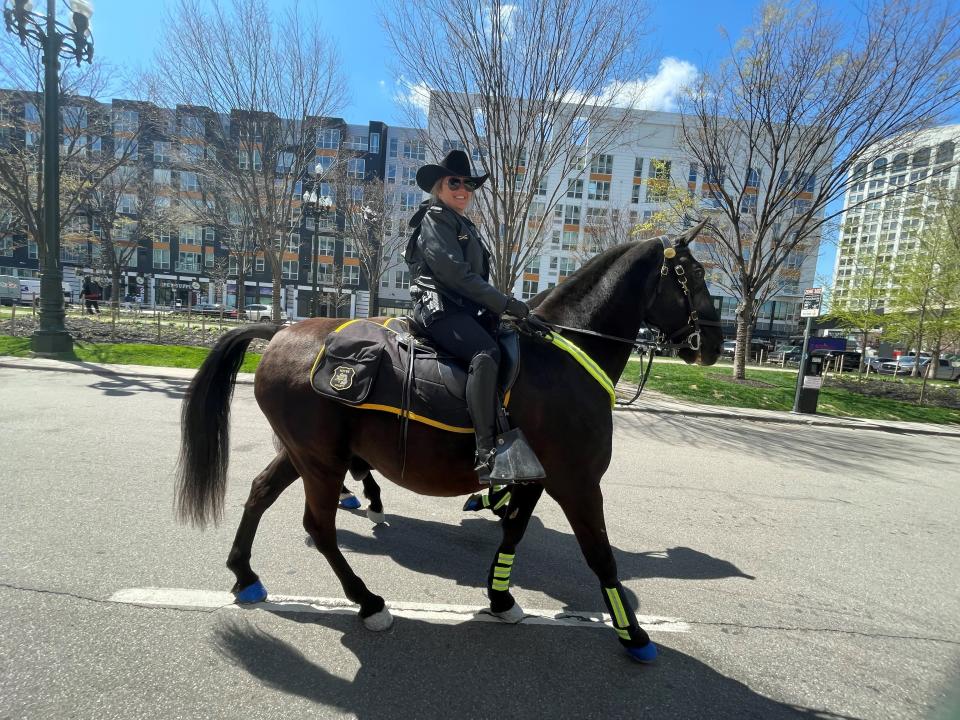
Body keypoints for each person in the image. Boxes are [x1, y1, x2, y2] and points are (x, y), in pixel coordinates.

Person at [404, 150, 548, 483]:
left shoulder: (460, 222)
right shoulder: (436, 218)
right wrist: (508, 304)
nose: (463, 190)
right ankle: (487, 452)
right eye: (455, 182)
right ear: (439, 186)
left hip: (461, 307)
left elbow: (473, 281)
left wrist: (510, 313)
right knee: (486, 353)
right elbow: (456, 275)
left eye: (469, 185)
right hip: (438, 307)